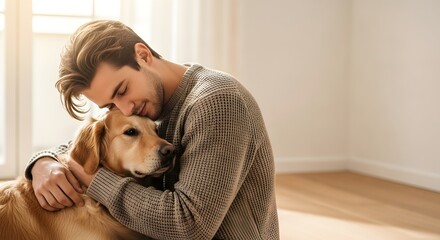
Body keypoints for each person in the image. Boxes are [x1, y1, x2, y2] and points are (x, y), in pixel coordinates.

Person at [25, 19, 279, 239]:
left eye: (122, 90)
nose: (124, 109)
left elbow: (189, 225)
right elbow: (93, 142)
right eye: (110, 104)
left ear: (143, 55)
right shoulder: (139, 108)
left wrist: (95, 180)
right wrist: (43, 163)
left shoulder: (217, 102)